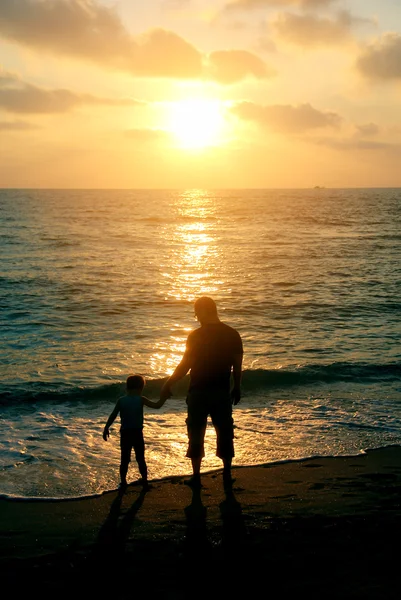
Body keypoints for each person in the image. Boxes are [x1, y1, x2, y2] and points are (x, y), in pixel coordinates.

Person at [160, 296, 243, 489]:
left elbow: (185, 365)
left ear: (202, 312)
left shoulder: (195, 336)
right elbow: (237, 366)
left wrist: (168, 382)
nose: (196, 317)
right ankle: (227, 474)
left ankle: (196, 477)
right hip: (221, 392)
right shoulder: (232, 334)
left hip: (198, 391)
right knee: (225, 431)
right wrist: (237, 386)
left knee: (195, 432)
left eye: (196, 312)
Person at [103, 374, 166, 491]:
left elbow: (113, 415)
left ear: (127, 387)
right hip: (137, 433)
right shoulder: (141, 399)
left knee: (124, 459)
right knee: (140, 458)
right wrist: (164, 397)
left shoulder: (121, 401)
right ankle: (145, 482)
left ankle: (123, 482)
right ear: (141, 387)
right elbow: (157, 406)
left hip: (125, 433)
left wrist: (106, 427)